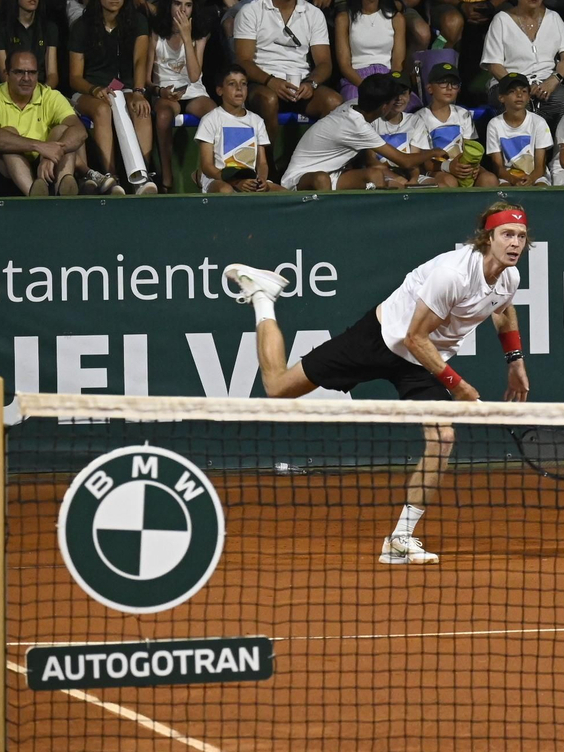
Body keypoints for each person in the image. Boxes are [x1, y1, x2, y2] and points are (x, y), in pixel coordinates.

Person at [223, 201, 534, 566]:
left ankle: (400, 538)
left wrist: (515, 361)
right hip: (381, 340)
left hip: (422, 362)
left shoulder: (509, 277)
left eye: (521, 236)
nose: (514, 243)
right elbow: (414, 336)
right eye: (507, 235)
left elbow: (502, 308)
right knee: (277, 387)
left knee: (443, 438)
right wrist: (457, 385)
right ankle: (262, 297)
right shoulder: (452, 274)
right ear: (487, 238)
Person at [237, 0, 343, 141]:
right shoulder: (251, 11)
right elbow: (243, 61)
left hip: (301, 85)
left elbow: (324, 63)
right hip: (263, 83)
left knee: (334, 102)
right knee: (268, 100)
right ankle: (268, 168)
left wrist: (311, 83)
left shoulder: (313, 14)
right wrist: (271, 81)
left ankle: (311, 163)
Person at [69, 0, 154, 193]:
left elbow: (139, 61)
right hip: (90, 91)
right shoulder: (82, 26)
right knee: (103, 109)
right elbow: (75, 77)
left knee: (141, 108)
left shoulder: (137, 21)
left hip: (125, 89)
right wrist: (94, 89)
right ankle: (110, 176)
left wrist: (138, 91)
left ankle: (142, 178)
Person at [0, 46, 89, 196]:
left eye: (32, 72)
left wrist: (54, 153)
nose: (26, 78)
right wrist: (39, 146)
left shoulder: (50, 96)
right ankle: (34, 196)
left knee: (63, 131)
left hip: (44, 169)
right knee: (8, 135)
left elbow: (80, 131)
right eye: (19, 72)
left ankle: (63, 192)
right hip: (3, 171)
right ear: (6, 74)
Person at [480, 0, 564, 128]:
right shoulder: (501, 20)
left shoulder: (553, 18)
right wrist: (521, 87)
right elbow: (494, 65)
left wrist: (553, 81)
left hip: (547, 83)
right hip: (508, 83)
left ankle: (559, 153)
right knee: (517, 103)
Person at [279, 72, 409, 191]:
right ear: (384, 107)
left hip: (333, 174)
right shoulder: (356, 125)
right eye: (392, 102)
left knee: (375, 175)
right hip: (299, 179)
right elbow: (404, 160)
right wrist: (430, 152)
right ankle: (329, 216)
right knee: (321, 179)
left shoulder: (353, 105)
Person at [149, 0, 213, 191]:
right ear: (169, 5)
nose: (182, 10)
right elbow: (145, 79)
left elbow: (195, 76)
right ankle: (167, 178)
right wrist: (160, 92)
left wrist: (187, 37)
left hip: (194, 92)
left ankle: (204, 173)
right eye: (177, 3)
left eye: (188, 5)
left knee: (214, 115)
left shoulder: (200, 34)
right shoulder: (156, 34)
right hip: (166, 93)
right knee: (164, 115)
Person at [194, 64, 281, 193]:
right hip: (219, 178)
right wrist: (235, 182)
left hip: (249, 179)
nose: (239, 88)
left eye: (243, 83)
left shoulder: (256, 121)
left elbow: (262, 163)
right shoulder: (211, 119)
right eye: (231, 84)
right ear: (220, 90)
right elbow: (207, 165)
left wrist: (261, 179)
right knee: (225, 190)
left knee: (284, 193)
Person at [334, 0, 408, 102]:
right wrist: (366, 87)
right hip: (357, 79)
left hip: (387, 79)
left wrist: (387, 87)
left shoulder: (396, 19)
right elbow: (344, 65)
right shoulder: (344, 19)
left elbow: (398, 64)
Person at [414, 62, 494, 187]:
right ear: (429, 88)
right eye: (443, 82)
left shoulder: (463, 114)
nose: (449, 87)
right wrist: (448, 166)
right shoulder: (420, 118)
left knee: (489, 179)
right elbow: (425, 161)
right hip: (436, 168)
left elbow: (470, 148)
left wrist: (473, 166)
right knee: (449, 181)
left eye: (454, 84)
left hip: (462, 165)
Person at [484, 73, 554, 185]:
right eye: (512, 91)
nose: (519, 95)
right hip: (508, 176)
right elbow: (498, 167)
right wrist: (513, 180)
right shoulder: (494, 124)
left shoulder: (539, 122)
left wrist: (530, 179)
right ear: (501, 98)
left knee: (541, 188)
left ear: (529, 97)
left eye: (524, 91)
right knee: (506, 192)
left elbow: (540, 166)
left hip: (536, 175)